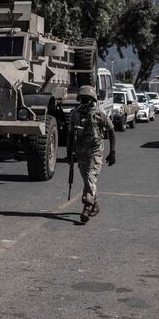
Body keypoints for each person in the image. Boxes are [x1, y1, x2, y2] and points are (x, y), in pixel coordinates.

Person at [68, 85, 116, 224]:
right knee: (88, 181)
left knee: (90, 178)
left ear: (93, 100)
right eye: (82, 99)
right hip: (81, 152)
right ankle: (95, 204)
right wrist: (69, 153)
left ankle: (87, 207)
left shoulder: (99, 113)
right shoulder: (74, 114)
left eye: (88, 99)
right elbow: (70, 134)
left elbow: (111, 131)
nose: (85, 102)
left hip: (95, 151)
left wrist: (112, 152)